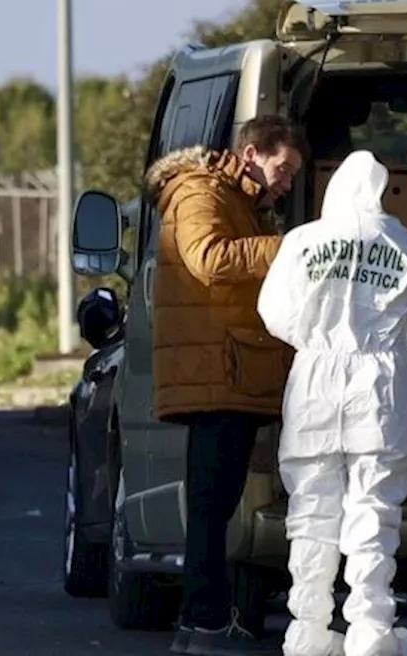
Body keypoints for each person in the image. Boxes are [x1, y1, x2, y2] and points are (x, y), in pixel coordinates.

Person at [258, 150, 407, 656]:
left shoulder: (303, 241)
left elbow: (274, 313)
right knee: (374, 509)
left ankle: (308, 630)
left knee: (311, 510)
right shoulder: (406, 244)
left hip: (315, 379)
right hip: (380, 385)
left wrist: (316, 338)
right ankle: (370, 631)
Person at [144, 115, 305, 655]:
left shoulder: (235, 198)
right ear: (252, 153)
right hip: (219, 369)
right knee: (213, 508)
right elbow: (208, 259)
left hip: (227, 368)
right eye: (281, 169)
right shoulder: (199, 192)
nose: (285, 182)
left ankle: (201, 621)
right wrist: (287, 248)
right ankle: (206, 621)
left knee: (216, 505)